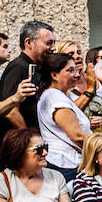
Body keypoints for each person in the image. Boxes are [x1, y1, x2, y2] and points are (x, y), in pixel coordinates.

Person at [36, 52, 93, 180]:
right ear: (54, 75)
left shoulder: (55, 95)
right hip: (67, 165)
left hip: (66, 163)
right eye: (70, 71)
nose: (77, 75)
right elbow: (76, 135)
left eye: (77, 70)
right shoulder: (55, 97)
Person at [0, 20, 56, 130]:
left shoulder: (39, 66)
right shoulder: (18, 67)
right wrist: (30, 137)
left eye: (54, 43)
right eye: (48, 43)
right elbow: (10, 111)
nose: (53, 48)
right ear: (28, 42)